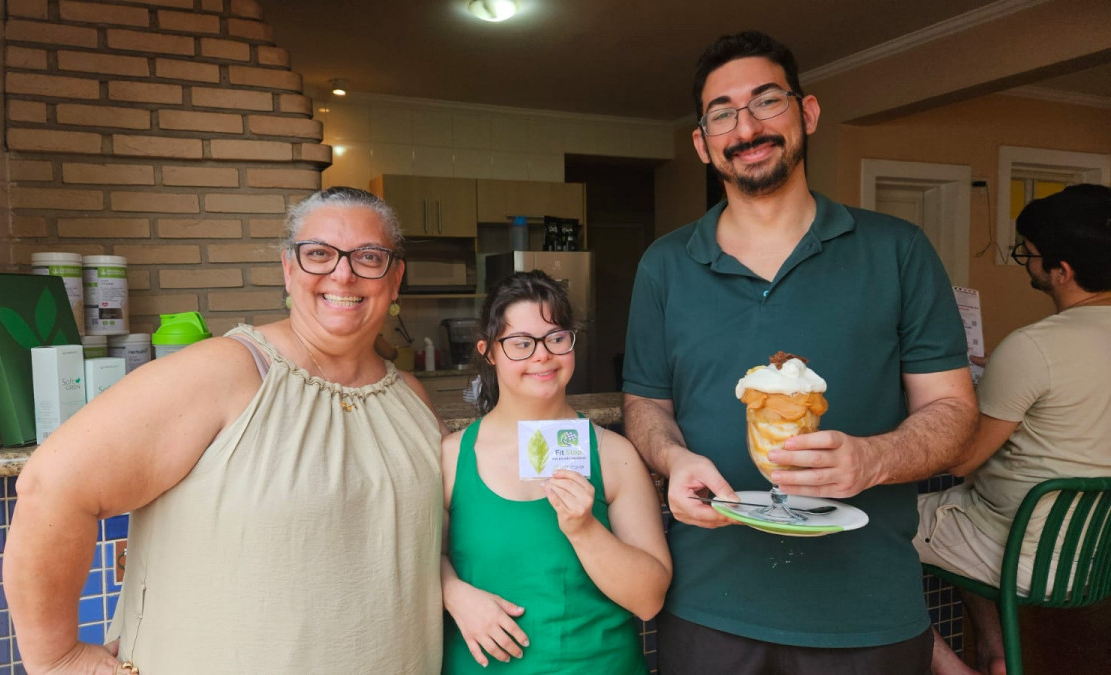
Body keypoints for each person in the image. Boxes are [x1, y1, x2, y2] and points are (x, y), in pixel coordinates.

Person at [621, 31, 979, 674]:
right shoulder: (665, 265)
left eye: (767, 101)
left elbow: (953, 410)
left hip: (865, 608)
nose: (747, 126)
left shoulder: (897, 250)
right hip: (708, 604)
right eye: (722, 113)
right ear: (703, 143)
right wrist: (672, 459)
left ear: (806, 113)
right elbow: (646, 401)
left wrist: (875, 458)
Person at [4, 187, 445, 674]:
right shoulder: (225, 371)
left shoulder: (410, 397)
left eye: (368, 256)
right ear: (289, 268)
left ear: (396, 277)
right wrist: (58, 658)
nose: (342, 272)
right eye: (318, 254)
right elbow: (52, 486)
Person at [916, 184, 1111, 675]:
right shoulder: (1036, 352)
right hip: (1094, 554)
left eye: (1029, 254)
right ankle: (999, 654)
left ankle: (953, 670)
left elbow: (962, 459)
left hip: (1024, 552)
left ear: (1061, 271)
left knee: (873, 529)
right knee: (961, 509)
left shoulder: (1033, 347)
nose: (1025, 262)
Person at [441, 270, 672, 673]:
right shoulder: (450, 456)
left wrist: (584, 530)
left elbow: (649, 599)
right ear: (488, 352)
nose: (542, 355)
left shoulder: (614, 454)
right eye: (520, 343)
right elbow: (414, 560)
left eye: (556, 338)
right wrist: (453, 592)